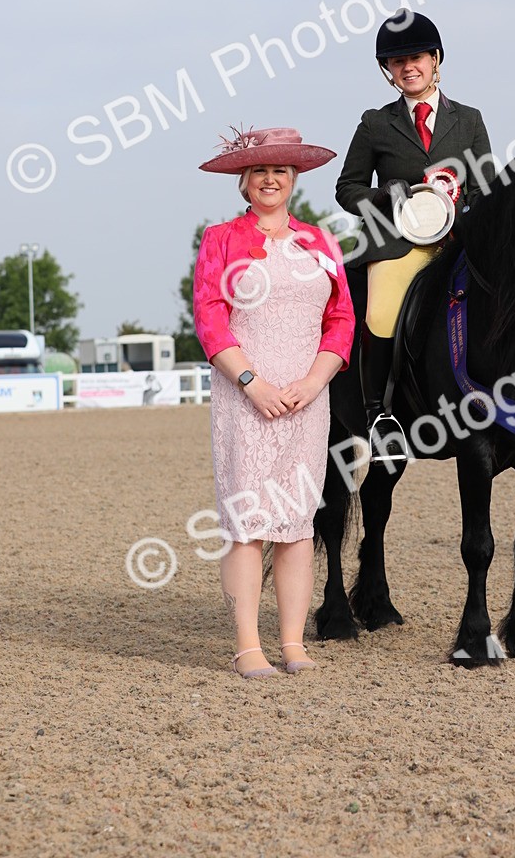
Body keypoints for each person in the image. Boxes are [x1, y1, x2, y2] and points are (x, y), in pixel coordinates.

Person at [194, 126, 355, 678]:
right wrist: (251, 382)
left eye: (280, 171)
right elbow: (210, 317)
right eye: (260, 170)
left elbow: (341, 319)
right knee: (249, 524)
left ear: (294, 179)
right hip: (246, 400)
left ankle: (292, 643)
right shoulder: (219, 240)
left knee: (298, 523)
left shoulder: (321, 242)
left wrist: (315, 381)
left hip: (308, 401)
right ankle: (247, 644)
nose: (270, 179)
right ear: (244, 182)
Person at [335, 9, 492, 458]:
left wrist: (471, 219)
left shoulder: (469, 120)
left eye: (416, 57)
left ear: (435, 58)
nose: (408, 67)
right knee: (381, 313)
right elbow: (346, 189)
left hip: (458, 241)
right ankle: (378, 412)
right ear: (389, 70)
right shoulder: (375, 123)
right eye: (397, 61)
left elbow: (484, 188)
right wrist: (384, 196)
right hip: (397, 244)